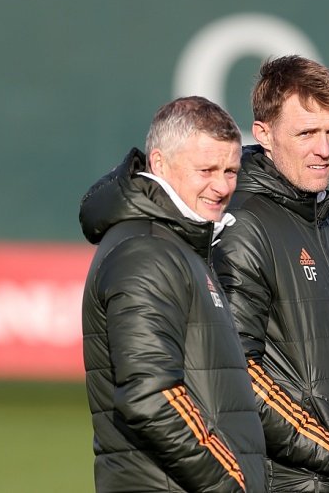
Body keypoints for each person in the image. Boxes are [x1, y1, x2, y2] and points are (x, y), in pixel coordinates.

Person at [212, 55, 329, 492]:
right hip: (295, 480)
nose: (324, 149)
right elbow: (231, 371)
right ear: (263, 134)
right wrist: (327, 448)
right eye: (306, 133)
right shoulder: (244, 225)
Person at [79, 96, 267, 493]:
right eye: (206, 170)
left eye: (231, 171)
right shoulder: (146, 252)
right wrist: (231, 482)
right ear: (160, 164)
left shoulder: (181, 244)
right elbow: (151, 397)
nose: (222, 186)